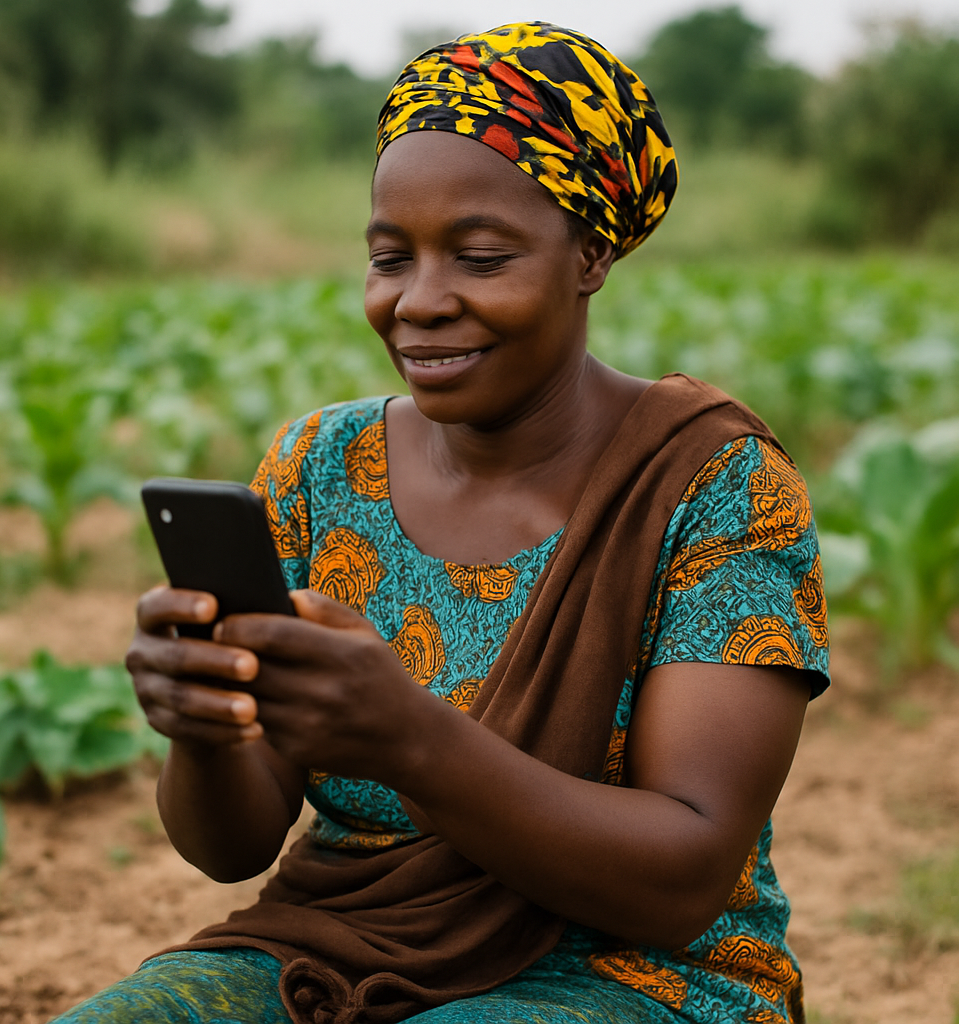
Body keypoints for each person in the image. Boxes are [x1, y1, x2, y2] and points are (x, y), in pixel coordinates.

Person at [54, 22, 828, 1024]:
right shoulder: (317, 473)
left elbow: (680, 878)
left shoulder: (713, 486)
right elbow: (233, 844)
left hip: (634, 975)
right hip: (340, 941)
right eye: (389, 258)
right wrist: (201, 730)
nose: (418, 302)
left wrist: (410, 737)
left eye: (479, 255)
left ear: (588, 253)